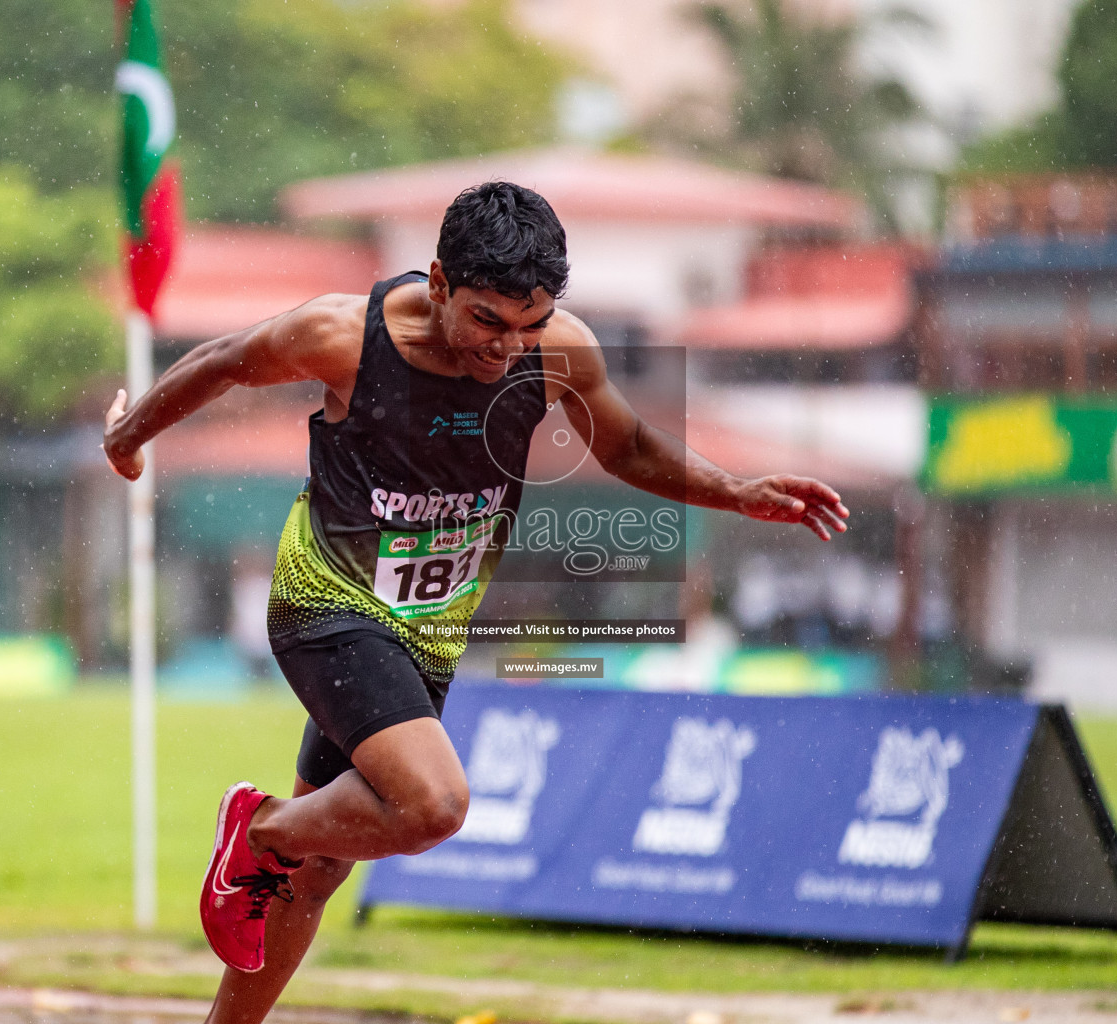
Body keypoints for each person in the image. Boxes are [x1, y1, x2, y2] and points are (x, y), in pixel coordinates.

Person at [102, 181, 849, 1024]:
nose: (508, 348)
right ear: (439, 281)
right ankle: (261, 826)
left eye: (528, 324)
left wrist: (736, 490)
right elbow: (221, 362)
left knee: (319, 872)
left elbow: (630, 444)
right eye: (488, 320)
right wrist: (129, 439)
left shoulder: (557, 350)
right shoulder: (344, 336)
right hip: (328, 601)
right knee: (432, 807)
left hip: (428, 630)